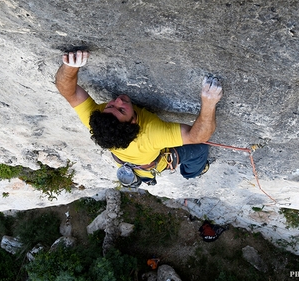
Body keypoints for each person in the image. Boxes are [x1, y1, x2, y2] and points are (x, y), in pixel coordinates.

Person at [55, 50, 223, 187]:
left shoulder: (98, 120)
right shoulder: (151, 133)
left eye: (111, 105)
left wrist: (70, 67)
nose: (118, 100)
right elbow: (198, 137)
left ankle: (139, 178)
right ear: (133, 122)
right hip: (151, 162)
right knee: (200, 149)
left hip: (128, 161)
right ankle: (193, 172)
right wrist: (209, 102)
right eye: (122, 109)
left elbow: (67, 91)